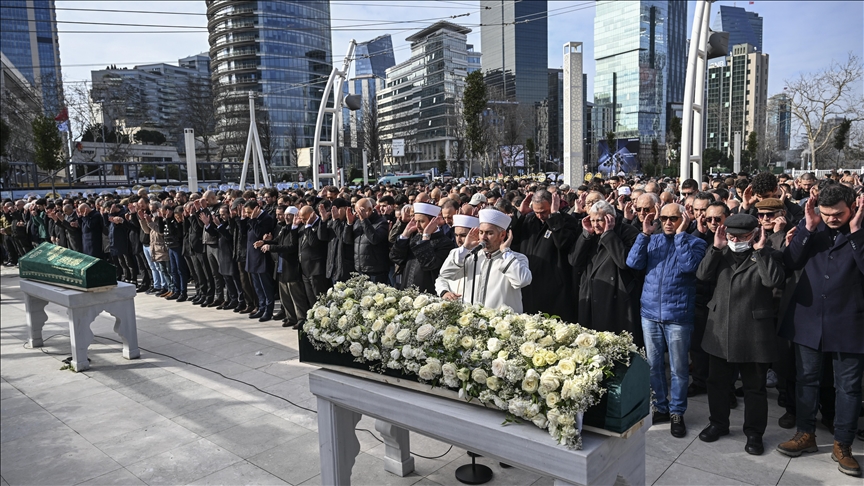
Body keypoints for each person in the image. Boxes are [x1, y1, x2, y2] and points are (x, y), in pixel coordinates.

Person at [776, 185, 864, 478]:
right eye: (826, 214)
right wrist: (807, 229)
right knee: (807, 381)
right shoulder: (812, 226)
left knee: (848, 388)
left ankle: (843, 444)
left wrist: (855, 234)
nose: (832, 219)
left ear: (852, 206)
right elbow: (790, 263)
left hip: (850, 322)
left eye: (838, 214)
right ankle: (805, 434)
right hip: (809, 319)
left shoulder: (859, 230)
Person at [696, 214, 785, 455]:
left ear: (754, 234)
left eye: (742, 236)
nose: (735, 240)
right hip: (721, 327)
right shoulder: (721, 252)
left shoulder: (767, 254)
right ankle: (718, 423)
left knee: (754, 388)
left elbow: (772, 281)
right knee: (717, 383)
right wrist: (716, 247)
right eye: (732, 235)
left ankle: (754, 433)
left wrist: (761, 250)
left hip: (753, 331)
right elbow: (702, 276)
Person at [627, 203, 707, 438]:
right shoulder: (653, 240)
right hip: (650, 314)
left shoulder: (696, 242)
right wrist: (644, 234)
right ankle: (660, 406)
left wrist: (682, 235)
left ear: (684, 218)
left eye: (674, 218)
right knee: (653, 366)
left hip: (678, 316)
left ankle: (677, 412)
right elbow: (633, 263)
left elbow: (689, 266)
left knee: (679, 369)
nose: (668, 222)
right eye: (664, 218)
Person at [569, 200, 643, 346]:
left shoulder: (628, 232)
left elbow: (624, 261)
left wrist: (609, 234)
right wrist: (585, 236)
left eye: (599, 220)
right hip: (591, 295)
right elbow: (574, 260)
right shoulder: (591, 234)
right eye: (592, 220)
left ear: (610, 219)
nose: (595, 224)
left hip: (616, 298)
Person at [438, 208, 532, 313]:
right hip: (471, 322)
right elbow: (444, 274)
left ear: (502, 235)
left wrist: (505, 251)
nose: (483, 237)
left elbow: (522, 281)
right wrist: (465, 248)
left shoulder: (516, 258)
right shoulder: (468, 255)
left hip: (501, 325)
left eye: (489, 233)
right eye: (481, 232)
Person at [513, 189, 578, 322]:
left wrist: (554, 217)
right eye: (536, 212)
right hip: (530, 285)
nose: (540, 216)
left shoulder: (567, 221)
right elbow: (512, 240)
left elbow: (563, 244)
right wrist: (520, 215)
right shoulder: (529, 220)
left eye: (544, 212)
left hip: (555, 286)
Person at [390, 202, 455, 294]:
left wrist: (426, 237)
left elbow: (429, 265)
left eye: (421, 221)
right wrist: (405, 235)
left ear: (433, 221)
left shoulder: (445, 243)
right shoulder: (415, 236)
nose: (417, 225)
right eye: (415, 221)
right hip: (406, 291)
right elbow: (395, 257)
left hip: (427, 295)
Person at [245, 200, 276, 321]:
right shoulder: (251, 219)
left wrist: (253, 220)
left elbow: (260, 234)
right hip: (252, 257)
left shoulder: (266, 218)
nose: (248, 214)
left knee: (265, 287)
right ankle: (261, 307)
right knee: (257, 287)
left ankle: (268, 310)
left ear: (257, 209)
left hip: (261, 258)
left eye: (250, 212)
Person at [435, 214, 480, 299]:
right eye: (456, 235)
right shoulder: (454, 252)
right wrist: (444, 292)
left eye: (463, 235)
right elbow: (442, 277)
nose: (458, 240)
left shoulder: (484, 256)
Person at [347, 198, 390, 283]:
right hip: (360, 269)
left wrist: (364, 220)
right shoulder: (357, 221)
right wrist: (349, 223)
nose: (357, 214)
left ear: (370, 210)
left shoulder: (381, 223)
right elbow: (347, 240)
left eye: (360, 211)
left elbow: (374, 239)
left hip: (376, 271)